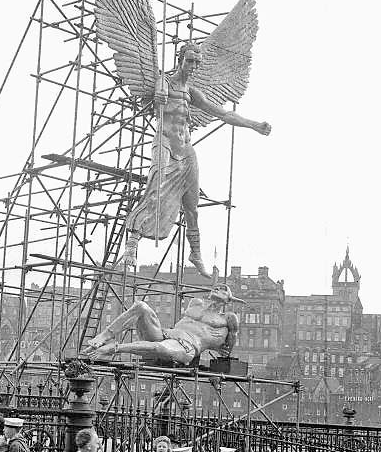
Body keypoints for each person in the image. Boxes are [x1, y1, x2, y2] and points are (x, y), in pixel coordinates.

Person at [118, 43, 271, 278]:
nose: (194, 66)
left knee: (192, 203)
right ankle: (133, 240)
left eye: (197, 62)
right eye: (190, 61)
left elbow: (223, 114)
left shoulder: (191, 92)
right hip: (165, 142)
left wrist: (254, 125)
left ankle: (196, 253)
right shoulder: (164, 81)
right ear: (180, 60)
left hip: (186, 147)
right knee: (156, 184)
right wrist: (159, 98)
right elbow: (157, 100)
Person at [83, 284, 242, 367]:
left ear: (228, 298)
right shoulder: (196, 303)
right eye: (218, 286)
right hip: (167, 334)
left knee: (160, 348)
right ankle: (103, 337)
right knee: (141, 306)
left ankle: (113, 349)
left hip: (187, 346)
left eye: (223, 289)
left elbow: (229, 343)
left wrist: (222, 351)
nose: (219, 288)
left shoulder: (227, 318)